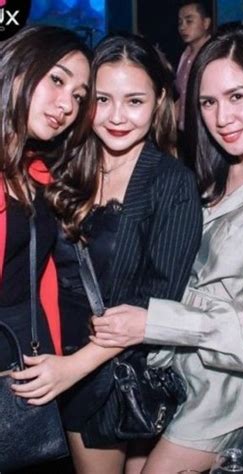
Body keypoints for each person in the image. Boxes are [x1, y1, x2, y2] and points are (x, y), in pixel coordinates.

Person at [90, 29, 243, 472]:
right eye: (208, 102)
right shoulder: (208, 174)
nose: (222, 117)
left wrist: (151, 321)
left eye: (237, 96)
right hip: (166, 370)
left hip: (228, 392)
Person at [11, 34, 202, 474]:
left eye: (134, 101)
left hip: (114, 371)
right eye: (101, 100)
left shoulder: (171, 183)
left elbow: (155, 304)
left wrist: (74, 368)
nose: (116, 117)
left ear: (159, 102)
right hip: (52, 355)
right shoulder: (60, 161)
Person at [0, 25, 91, 371]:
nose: (67, 105)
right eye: (57, 80)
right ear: (18, 68)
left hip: (32, 352)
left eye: (79, 96)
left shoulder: (36, 171)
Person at [176, 0, 212, 132]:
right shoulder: (185, 55)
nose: (182, 27)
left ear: (206, 23)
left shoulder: (214, 54)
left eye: (189, 21)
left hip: (205, 132)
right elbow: (183, 95)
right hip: (185, 131)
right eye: (180, 22)